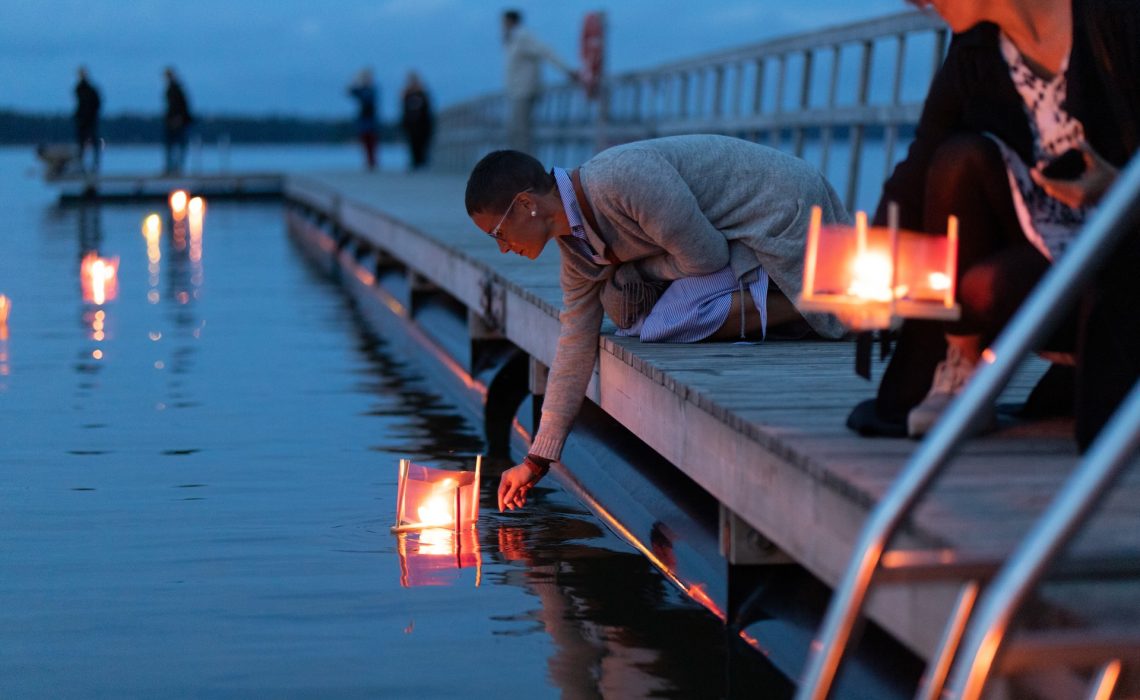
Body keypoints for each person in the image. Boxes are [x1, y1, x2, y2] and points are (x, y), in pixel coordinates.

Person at [465, 135, 850, 512]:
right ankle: (794, 303)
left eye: (498, 233)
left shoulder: (621, 180)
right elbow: (574, 342)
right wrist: (538, 458)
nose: (502, 247)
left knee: (662, 318)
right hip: (733, 234)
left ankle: (810, 306)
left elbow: (707, 257)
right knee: (632, 315)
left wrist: (636, 268)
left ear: (526, 204)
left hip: (780, 211)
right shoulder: (578, 252)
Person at [846, 0, 1140, 449]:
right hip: (1053, 251)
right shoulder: (978, 45)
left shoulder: (1116, 18)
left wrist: (1119, 188)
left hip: (1124, 253)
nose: (922, 6)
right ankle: (964, 373)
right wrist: (862, 271)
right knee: (958, 162)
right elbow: (921, 161)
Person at [501, 9, 577, 153]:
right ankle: (519, 165)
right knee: (516, 130)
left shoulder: (522, 36)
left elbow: (546, 51)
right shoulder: (512, 39)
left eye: (504, 21)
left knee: (521, 131)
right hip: (517, 91)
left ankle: (523, 167)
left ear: (511, 21)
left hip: (524, 90)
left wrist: (567, 70)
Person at [400, 71, 434, 170]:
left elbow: (427, 110)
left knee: (422, 144)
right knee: (412, 144)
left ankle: (421, 163)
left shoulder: (423, 94)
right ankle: (415, 163)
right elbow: (404, 110)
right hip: (411, 125)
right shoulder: (406, 94)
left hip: (422, 125)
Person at [347, 69, 380, 171]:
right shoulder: (361, 89)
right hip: (363, 120)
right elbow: (350, 91)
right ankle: (368, 161)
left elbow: (367, 99)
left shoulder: (372, 89)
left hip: (371, 120)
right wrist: (356, 80)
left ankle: (373, 162)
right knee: (364, 142)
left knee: (372, 142)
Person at [163, 67, 193, 175]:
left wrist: (178, 118)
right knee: (174, 146)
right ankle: (172, 168)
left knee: (177, 146)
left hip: (178, 122)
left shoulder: (175, 89)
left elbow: (179, 106)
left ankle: (175, 169)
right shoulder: (173, 88)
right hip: (174, 121)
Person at [74, 67, 101, 174]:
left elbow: (96, 104)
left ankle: (93, 164)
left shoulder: (90, 90)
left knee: (92, 142)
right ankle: (82, 165)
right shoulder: (79, 88)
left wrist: (90, 114)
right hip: (83, 120)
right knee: (82, 143)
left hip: (89, 119)